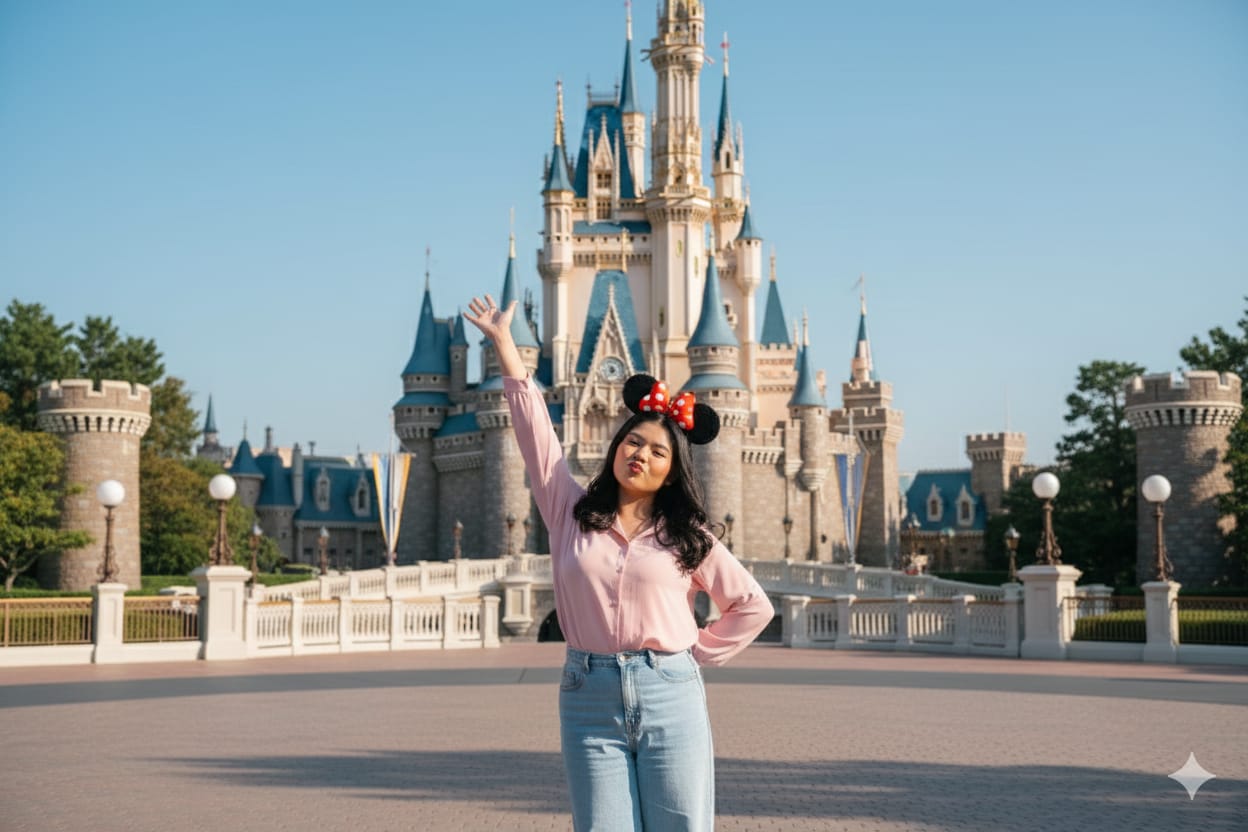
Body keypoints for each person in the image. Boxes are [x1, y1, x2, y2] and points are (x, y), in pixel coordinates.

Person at [466, 293, 774, 831]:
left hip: (669, 692)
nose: (641, 455)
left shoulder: (687, 536)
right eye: (634, 442)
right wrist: (505, 347)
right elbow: (536, 435)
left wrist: (695, 652)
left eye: (658, 452)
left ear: (672, 472)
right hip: (589, 695)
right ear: (615, 446)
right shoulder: (569, 511)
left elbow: (751, 605)